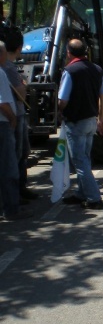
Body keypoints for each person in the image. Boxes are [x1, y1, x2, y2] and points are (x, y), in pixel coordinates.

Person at [58, 39, 103, 210]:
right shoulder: (97, 70)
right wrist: (101, 118)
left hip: (76, 121)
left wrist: (58, 109)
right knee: (85, 158)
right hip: (91, 121)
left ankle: (94, 198)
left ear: (69, 53)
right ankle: (81, 194)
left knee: (79, 162)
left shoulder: (70, 71)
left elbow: (63, 100)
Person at [2, 27, 38, 202]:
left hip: (14, 115)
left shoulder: (7, 67)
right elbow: (21, 94)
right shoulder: (9, 68)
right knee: (18, 154)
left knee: (20, 153)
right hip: (16, 115)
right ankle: (16, 192)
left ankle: (20, 189)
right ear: (19, 48)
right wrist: (24, 84)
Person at [0, 41, 32, 220]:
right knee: (9, 168)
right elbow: (3, 102)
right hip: (3, 124)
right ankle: (12, 209)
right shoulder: (2, 72)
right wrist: (12, 117)